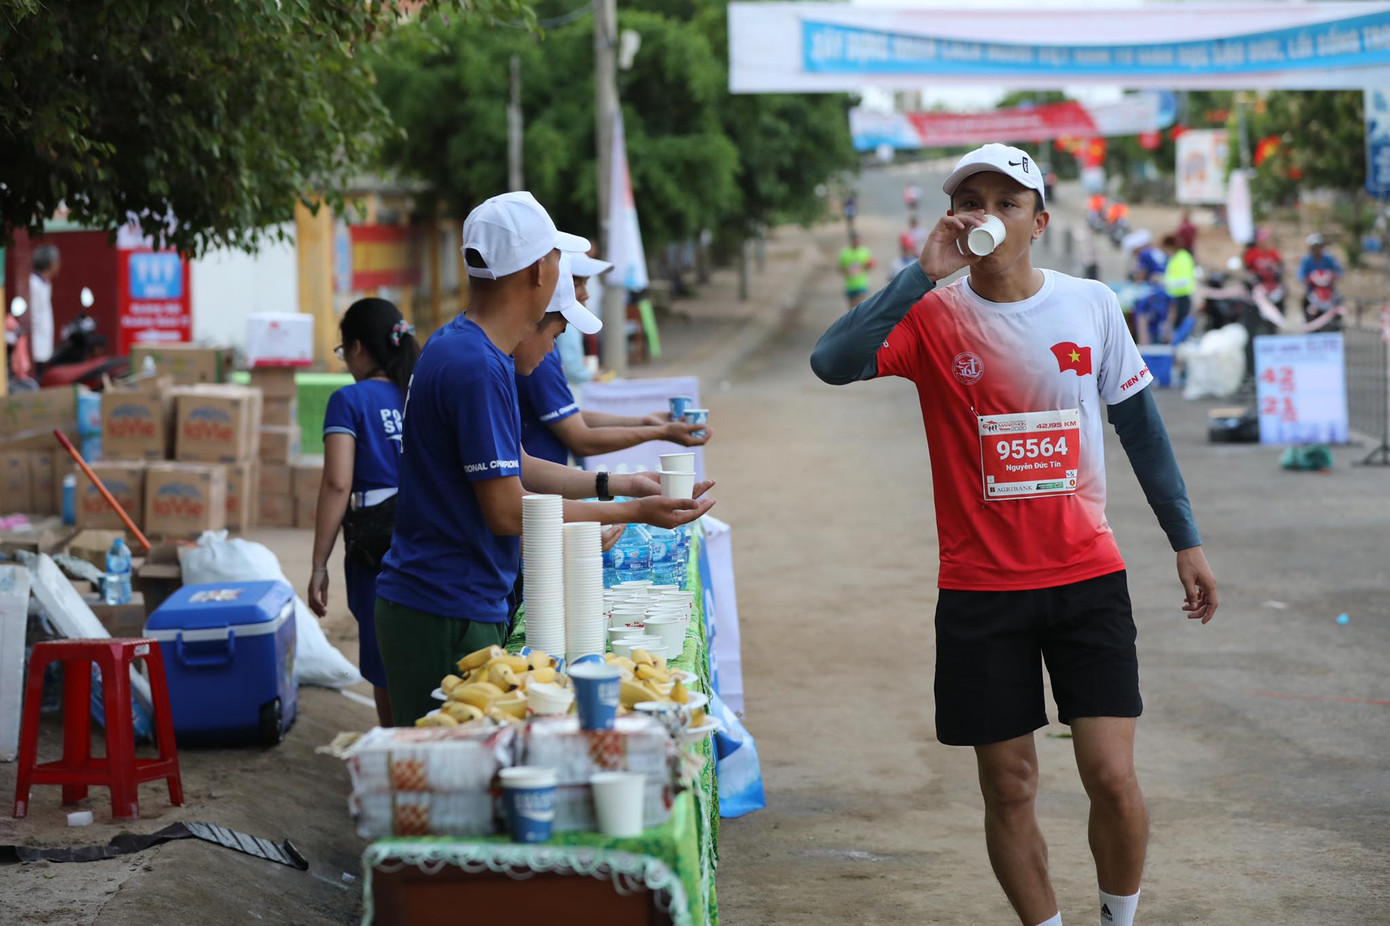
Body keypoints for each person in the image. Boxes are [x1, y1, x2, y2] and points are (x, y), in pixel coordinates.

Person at [810, 143, 1218, 926]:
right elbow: (833, 361)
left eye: (1005, 202)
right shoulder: (930, 315)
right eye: (971, 200)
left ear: (1039, 220)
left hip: (1084, 577)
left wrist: (1185, 539)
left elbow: (1141, 429)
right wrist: (919, 273)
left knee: (1111, 776)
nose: (986, 216)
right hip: (980, 591)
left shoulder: (1091, 303)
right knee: (1010, 786)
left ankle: (1117, 918)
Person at [373, 191, 714, 726]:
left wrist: (618, 482)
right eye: (557, 259)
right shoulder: (475, 365)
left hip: (451, 599)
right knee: (443, 789)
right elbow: (509, 511)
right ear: (538, 272)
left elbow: (519, 462)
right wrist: (629, 509)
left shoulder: (472, 348)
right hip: (443, 605)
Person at [307, 298, 419, 727]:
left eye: (342, 352)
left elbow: (338, 483)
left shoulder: (349, 401)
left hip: (377, 549)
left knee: (383, 656)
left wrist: (319, 564)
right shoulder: (419, 391)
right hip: (429, 535)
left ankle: (396, 757)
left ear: (357, 347)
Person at [514, 255, 711, 467]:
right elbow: (580, 439)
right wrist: (659, 432)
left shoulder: (539, 350)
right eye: (576, 282)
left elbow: (571, 417)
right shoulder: (538, 356)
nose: (585, 293)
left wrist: (645, 422)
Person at [28, 244, 59, 372]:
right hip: (36, 341)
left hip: (43, 340)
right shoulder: (34, 283)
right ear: (51, 264)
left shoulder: (44, 283)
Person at [1160, 234, 1195, 337]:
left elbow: (1185, 281)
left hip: (1181, 298)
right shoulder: (1174, 258)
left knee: (1179, 328)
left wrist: (1165, 282)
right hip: (1173, 298)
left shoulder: (1183, 258)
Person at [1297, 233, 1342, 313]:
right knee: (1305, 301)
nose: (1316, 249)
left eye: (1318, 246)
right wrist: (1305, 278)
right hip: (1312, 289)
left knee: (1338, 299)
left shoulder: (1329, 258)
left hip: (1328, 288)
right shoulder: (1306, 260)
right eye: (1314, 247)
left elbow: (1338, 270)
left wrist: (1335, 275)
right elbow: (1301, 274)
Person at [839, 231, 875, 309]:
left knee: (861, 307)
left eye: (858, 240)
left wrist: (865, 267)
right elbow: (840, 268)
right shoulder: (845, 253)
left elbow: (871, 265)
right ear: (851, 241)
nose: (856, 242)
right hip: (850, 285)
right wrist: (847, 271)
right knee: (851, 309)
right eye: (854, 240)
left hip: (861, 284)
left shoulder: (865, 252)